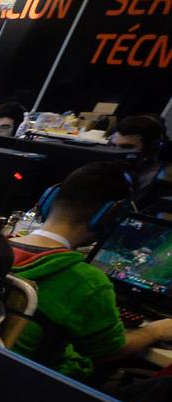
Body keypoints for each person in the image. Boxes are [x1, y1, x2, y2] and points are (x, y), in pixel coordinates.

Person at [9, 162, 172, 379]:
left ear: (48, 200)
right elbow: (111, 351)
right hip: (38, 388)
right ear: (111, 216)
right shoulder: (86, 281)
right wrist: (156, 330)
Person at [108, 114, 168, 207]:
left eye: (126, 147)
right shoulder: (105, 169)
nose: (116, 152)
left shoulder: (160, 180)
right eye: (113, 145)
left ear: (151, 149)